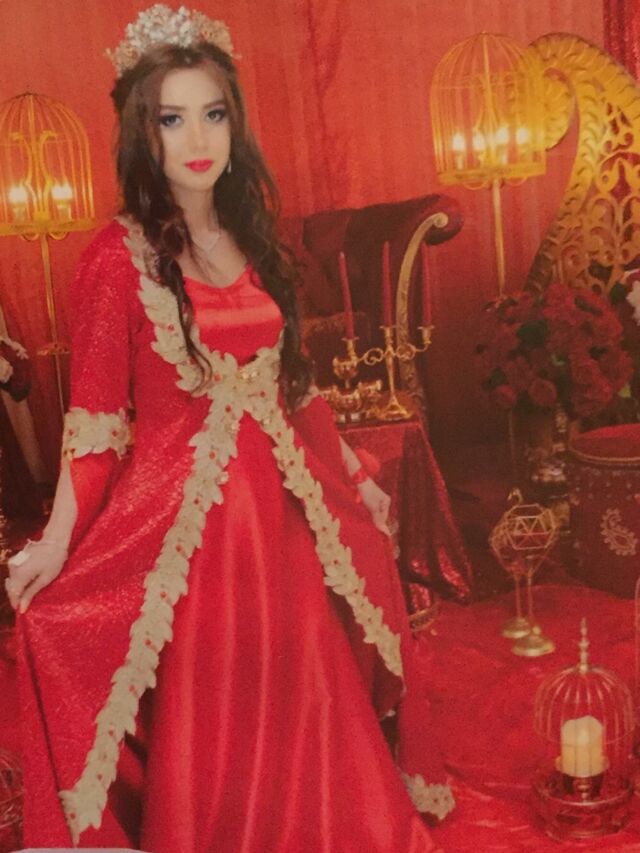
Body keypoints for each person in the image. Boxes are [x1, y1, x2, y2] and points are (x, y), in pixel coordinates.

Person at [6, 5, 453, 851]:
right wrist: (57, 541)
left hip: (281, 518)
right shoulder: (116, 258)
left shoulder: (252, 236)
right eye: (172, 119)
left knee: (307, 673)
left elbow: (294, 389)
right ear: (143, 134)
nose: (197, 138)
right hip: (189, 534)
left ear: (234, 122)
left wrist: (352, 477)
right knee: (211, 695)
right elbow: (95, 427)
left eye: (212, 113)